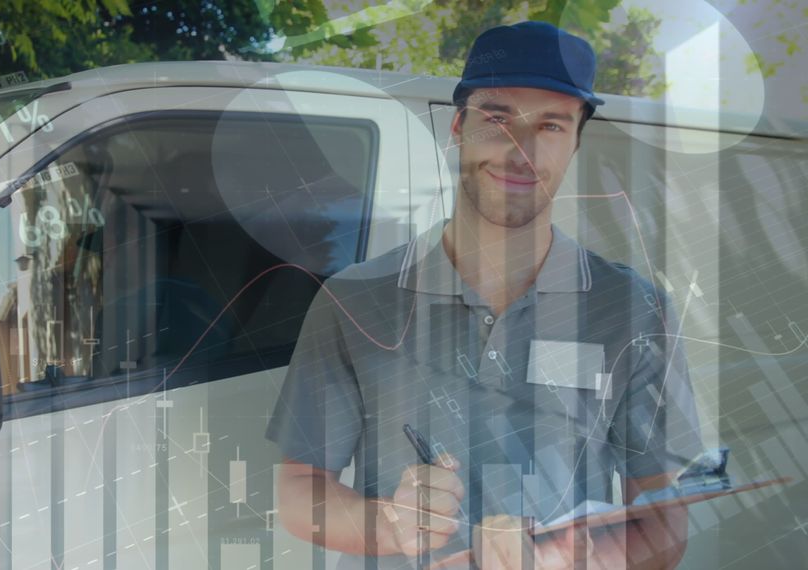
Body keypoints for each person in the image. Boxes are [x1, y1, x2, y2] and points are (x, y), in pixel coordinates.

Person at [266, 21, 704, 569]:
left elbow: (663, 519)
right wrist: (389, 524)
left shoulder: (635, 309)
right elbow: (300, 491)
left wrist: (572, 559)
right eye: (498, 119)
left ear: (575, 142)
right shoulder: (355, 300)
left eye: (550, 125)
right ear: (458, 126)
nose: (521, 152)